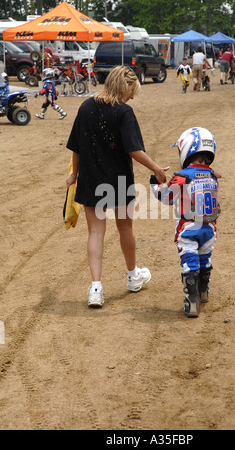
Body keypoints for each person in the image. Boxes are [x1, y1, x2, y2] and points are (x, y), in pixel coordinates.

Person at [65, 66, 169, 308]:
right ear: (127, 86)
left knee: (95, 233)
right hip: (118, 181)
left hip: (91, 180)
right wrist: (155, 168)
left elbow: (76, 147)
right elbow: (133, 149)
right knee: (125, 229)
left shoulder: (86, 107)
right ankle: (133, 276)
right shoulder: (123, 112)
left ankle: (95, 289)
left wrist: (74, 175)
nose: (133, 96)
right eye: (133, 90)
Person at [151, 127, 221, 318]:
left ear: (189, 149)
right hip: (209, 228)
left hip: (189, 227)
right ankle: (204, 291)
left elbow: (166, 198)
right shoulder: (213, 175)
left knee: (190, 262)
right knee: (205, 257)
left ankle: (192, 302)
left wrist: (154, 184)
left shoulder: (183, 176)